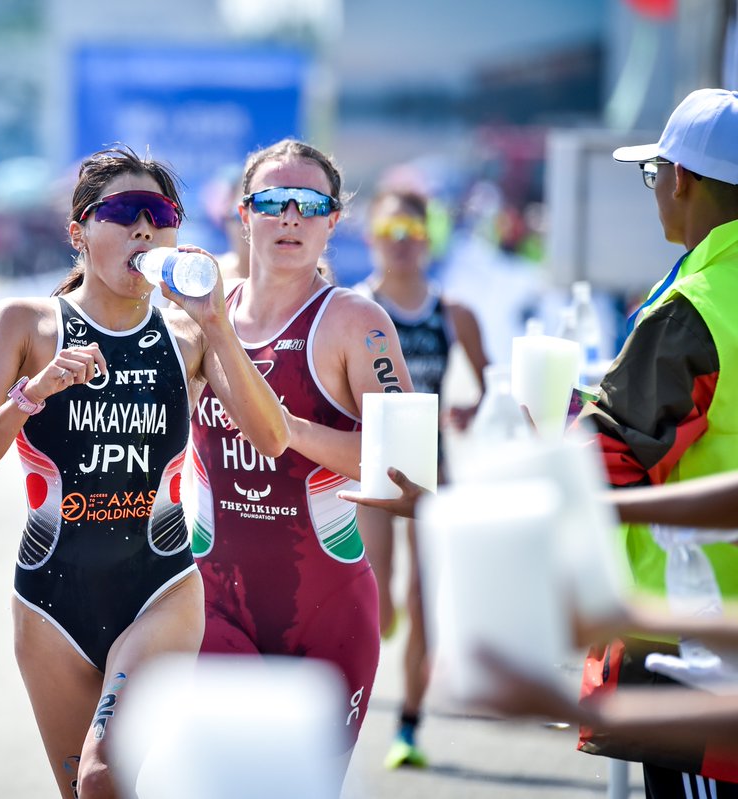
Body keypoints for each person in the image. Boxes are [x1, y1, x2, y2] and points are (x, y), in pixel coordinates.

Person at [0, 145, 288, 799]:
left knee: (102, 775)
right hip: (50, 605)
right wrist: (32, 393)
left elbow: (272, 438)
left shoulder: (187, 334)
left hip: (159, 588)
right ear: (78, 231)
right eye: (124, 212)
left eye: (161, 213)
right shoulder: (26, 325)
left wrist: (217, 326)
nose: (144, 229)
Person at [186, 138, 412, 780]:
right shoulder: (204, 320)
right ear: (244, 213)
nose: (291, 217)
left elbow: (409, 468)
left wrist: (284, 429)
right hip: (214, 606)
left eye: (310, 204)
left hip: (328, 611)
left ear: (333, 221)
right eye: (273, 202)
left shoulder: (354, 322)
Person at [573, 87, 738, 795]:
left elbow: (607, 460)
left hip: (697, 649)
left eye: (654, 174)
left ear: (682, 179)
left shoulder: (694, 306)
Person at [352, 185, 489, 769]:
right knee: (376, 602)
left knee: (422, 599)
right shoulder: (354, 307)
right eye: (389, 234)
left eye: (410, 234)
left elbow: (486, 384)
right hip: (375, 472)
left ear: (427, 240)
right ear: (372, 239)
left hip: (433, 472)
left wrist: (469, 410)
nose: (400, 245)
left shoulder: (452, 312)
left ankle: (408, 726)